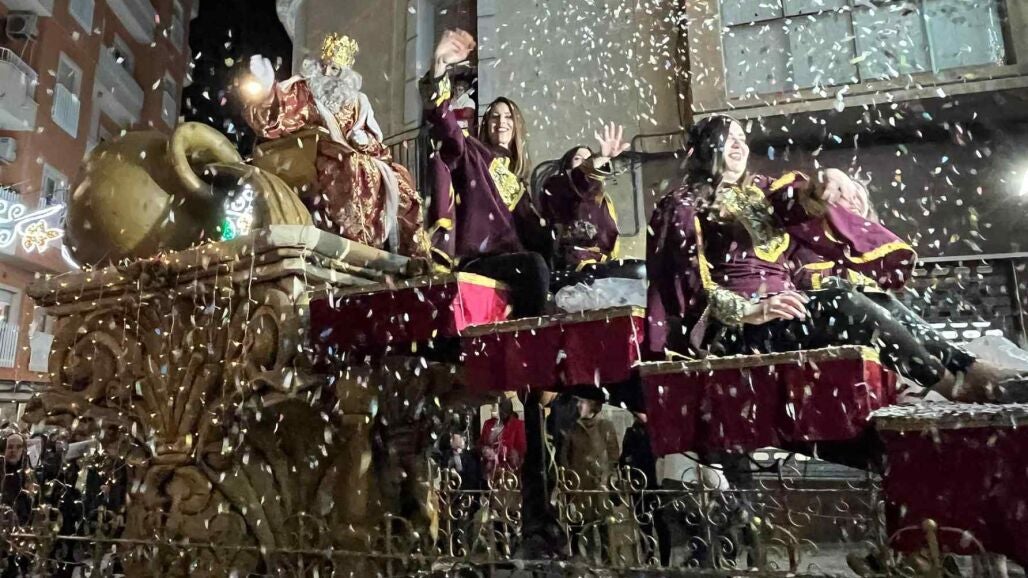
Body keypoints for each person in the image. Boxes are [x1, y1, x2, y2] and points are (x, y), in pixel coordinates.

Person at [646, 114, 1026, 403]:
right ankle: (948, 384)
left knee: (870, 297)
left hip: (785, 312)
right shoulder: (681, 205)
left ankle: (965, 366)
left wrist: (828, 178)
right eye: (727, 138)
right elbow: (686, 286)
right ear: (703, 147)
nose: (739, 145)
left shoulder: (761, 191)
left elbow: (799, 201)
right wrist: (751, 310)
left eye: (743, 139)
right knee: (840, 302)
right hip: (736, 331)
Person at [246, 34, 428, 258]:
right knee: (348, 164)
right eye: (324, 66)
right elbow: (279, 115)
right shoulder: (304, 91)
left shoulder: (359, 102)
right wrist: (267, 93)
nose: (327, 72)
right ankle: (354, 240)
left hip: (355, 153)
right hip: (314, 151)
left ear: (345, 74)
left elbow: (378, 147)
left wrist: (365, 141)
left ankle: (412, 253)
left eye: (334, 68)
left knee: (402, 180)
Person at [421, 29, 551, 318]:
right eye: (494, 117)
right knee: (534, 267)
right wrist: (439, 67)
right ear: (485, 125)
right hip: (479, 261)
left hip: (515, 263)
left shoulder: (520, 187)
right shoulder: (473, 154)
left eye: (507, 118)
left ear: (517, 128)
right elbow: (448, 129)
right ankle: (524, 338)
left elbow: (542, 235)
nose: (500, 123)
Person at [541, 127, 644, 290]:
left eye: (588, 158)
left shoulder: (601, 198)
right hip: (575, 263)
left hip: (602, 261)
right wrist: (601, 156)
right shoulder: (558, 186)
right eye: (578, 158)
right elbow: (580, 178)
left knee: (641, 271)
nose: (585, 162)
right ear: (566, 167)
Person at [559, 398, 619, 561]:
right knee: (584, 531)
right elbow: (564, 458)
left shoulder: (605, 426)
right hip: (580, 488)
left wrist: (608, 477)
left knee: (604, 529)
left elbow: (613, 456)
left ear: (593, 405)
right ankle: (588, 564)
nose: (578, 405)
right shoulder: (572, 428)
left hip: (601, 487)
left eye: (583, 402)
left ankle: (608, 563)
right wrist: (570, 483)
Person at [478, 398, 526, 484]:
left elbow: (521, 449)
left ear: (510, 412)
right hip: (488, 469)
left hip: (508, 470)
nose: (502, 414)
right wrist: (485, 450)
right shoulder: (488, 424)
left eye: (505, 411)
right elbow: (480, 444)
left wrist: (500, 453)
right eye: (501, 410)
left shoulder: (518, 425)